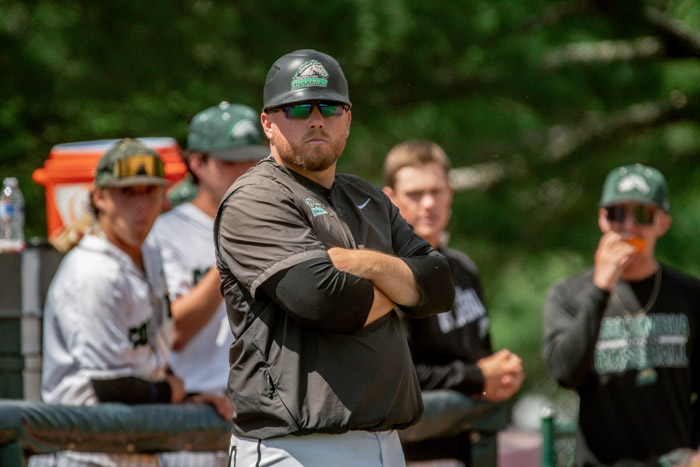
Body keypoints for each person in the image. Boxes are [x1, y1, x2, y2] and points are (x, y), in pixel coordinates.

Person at [214, 49, 455, 466]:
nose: (316, 118)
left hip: (386, 441)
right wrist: (403, 289)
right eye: (298, 107)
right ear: (268, 122)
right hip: (295, 447)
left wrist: (367, 265)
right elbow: (326, 302)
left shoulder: (368, 196)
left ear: (348, 117)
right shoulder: (255, 197)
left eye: (329, 105)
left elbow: (439, 284)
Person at [40, 138, 186, 466]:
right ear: (99, 197)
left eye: (149, 190)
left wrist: (185, 393)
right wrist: (172, 392)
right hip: (83, 452)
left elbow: (147, 352)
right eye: (126, 192)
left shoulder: (148, 253)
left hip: (128, 444)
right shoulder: (93, 271)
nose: (140, 205)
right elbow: (107, 385)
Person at [542, 164, 700, 465]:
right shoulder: (568, 294)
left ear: (662, 222)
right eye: (617, 213)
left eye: (642, 214)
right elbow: (564, 372)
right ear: (602, 218)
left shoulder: (690, 294)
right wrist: (601, 287)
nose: (628, 225)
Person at [382, 140, 525, 466]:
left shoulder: (463, 268)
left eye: (437, 191)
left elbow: (481, 359)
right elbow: (396, 376)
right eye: (415, 194)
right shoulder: (388, 274)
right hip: (413, 455)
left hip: (472, 448)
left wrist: (501, 375)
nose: (429, 203)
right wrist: (476, 376)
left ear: (450, 192)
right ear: (390, 199)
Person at [148, 101, 268, 420]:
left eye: (253, 160)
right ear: (197, 163)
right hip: (196, 407)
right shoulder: (166, 232)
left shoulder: (275, 225)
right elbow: (174, 333)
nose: (246, 172)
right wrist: (230, 257)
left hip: (263, 406)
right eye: (230, 161)